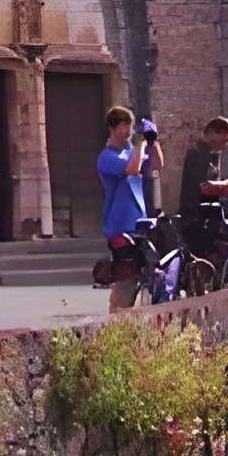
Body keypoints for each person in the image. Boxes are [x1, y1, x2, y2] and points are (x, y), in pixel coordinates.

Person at [97, 106, 163, 312]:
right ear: (112, 127)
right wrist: (140, 145)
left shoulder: (130, 152)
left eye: (131, 126)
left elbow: (158, 165)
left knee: (145, 274)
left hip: (139, 223)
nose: (128, 131)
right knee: (126, 278)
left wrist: (153, 142)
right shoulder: (107, 157)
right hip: (119, 225)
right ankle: (116, 319)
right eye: (124, 126)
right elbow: (132, 169)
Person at [178, 114, 228, 221]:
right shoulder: (196, 153)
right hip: (195, 216)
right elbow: (202, 186)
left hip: (204, 213)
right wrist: (226, 185)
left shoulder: (208, 154)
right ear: (212, 133)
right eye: (224, 140)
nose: (225, 145)